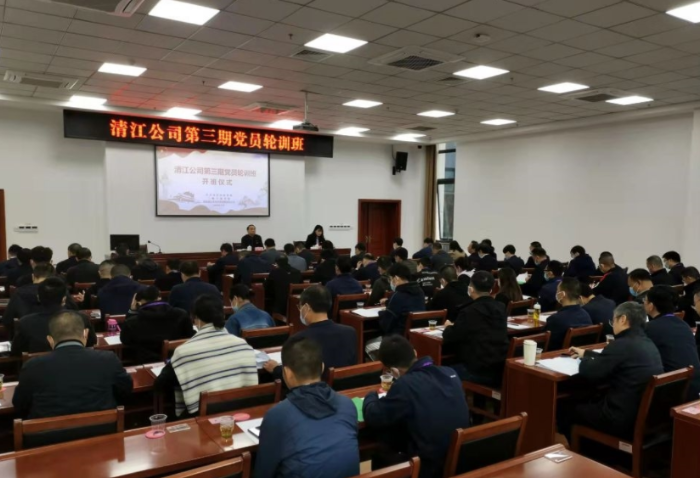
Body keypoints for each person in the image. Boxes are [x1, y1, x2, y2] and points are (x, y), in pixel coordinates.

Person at [363, 336, 470, 478]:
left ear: (393, 371)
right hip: (461, 459)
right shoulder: (449, 372)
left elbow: (374, 416)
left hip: (429, 468)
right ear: (414, 353)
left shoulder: (405, 385)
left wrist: (371, 395)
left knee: (383, 444)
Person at [255, 336, 359, 478]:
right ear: (322, 367)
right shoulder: (347, 404)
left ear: (287, 373)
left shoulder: (278, 416)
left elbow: (263, 472)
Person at [568, 302, 663, 439]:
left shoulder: (621, 344)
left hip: (618, 418)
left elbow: (589, 372)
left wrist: (583, 360)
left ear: (622, 319)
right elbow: (611, 359)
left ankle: (581, 450)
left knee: (568, 408)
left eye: (613, 320)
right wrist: (587, 354)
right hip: (643, 417)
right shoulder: (648, 343)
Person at [12, 310, 132, 419]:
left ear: (50, 340)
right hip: (104, 429)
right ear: (86, 334)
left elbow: (20, 404)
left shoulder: (32, 366)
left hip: (48, 433)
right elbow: (126, 391)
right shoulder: (108, 359)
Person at [155, 295, 257, 417]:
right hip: (242, 410)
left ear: (196, 319)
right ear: (223, 316)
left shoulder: (184, 352)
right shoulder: (242, 344)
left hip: (204, 415)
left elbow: (160, 384)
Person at [263, 286, 357, 380]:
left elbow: (295, 378)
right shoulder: (350, 332)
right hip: (346, 387)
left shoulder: (299, 340)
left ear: (306, 307)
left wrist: (276, 369)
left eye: (299, 307)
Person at [444, 271, 508, 387]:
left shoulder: (469, 311)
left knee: (442, 372)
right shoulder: (501, 307)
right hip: (499, 368)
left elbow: (451, 336)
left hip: (476, 370)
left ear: (471, 289)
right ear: (491, 289)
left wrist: (448, 326)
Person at [12, 278, 97, 355]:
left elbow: (16, 351)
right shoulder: (81, 318)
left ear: (38, 298)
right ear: (64, 299)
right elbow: (92, 343)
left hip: (40, 366)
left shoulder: (25, 322)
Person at [643, 286, 700, 400]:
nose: (643, 303)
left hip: (671, 391)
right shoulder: (683, 325)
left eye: (645, 300)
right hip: (693, 386)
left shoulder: (650, 328)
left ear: (651, 306)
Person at [120, 286, 195, 364]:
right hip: (177, 361)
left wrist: (132, 311)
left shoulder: (132, 322)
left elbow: (125, 339)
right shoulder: (181, 314)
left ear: (138, 302)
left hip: (146, 364)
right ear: (159, 297)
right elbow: (190, 336)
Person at [365, 264, 425, 358]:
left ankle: (388, 365)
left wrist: (382, 313)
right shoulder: (420, 292)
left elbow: (386, 325)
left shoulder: (397, 295)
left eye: (390, 279)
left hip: (397, 340)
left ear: (396, 278)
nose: (390, 282)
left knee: (368, 345)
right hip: (415, 339)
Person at [3, 263, 62, 329]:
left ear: (33, 276)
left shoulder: (19, 293)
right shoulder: (60, 291)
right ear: (53, 277)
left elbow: (7, 320)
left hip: (26, 331)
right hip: (58, 331)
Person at [544, 278, 592, 351]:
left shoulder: (555, 319)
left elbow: (544, 342)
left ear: (562, 294)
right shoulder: (586, 315)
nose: (556, 293)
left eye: (557, 290)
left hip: (557, 354)